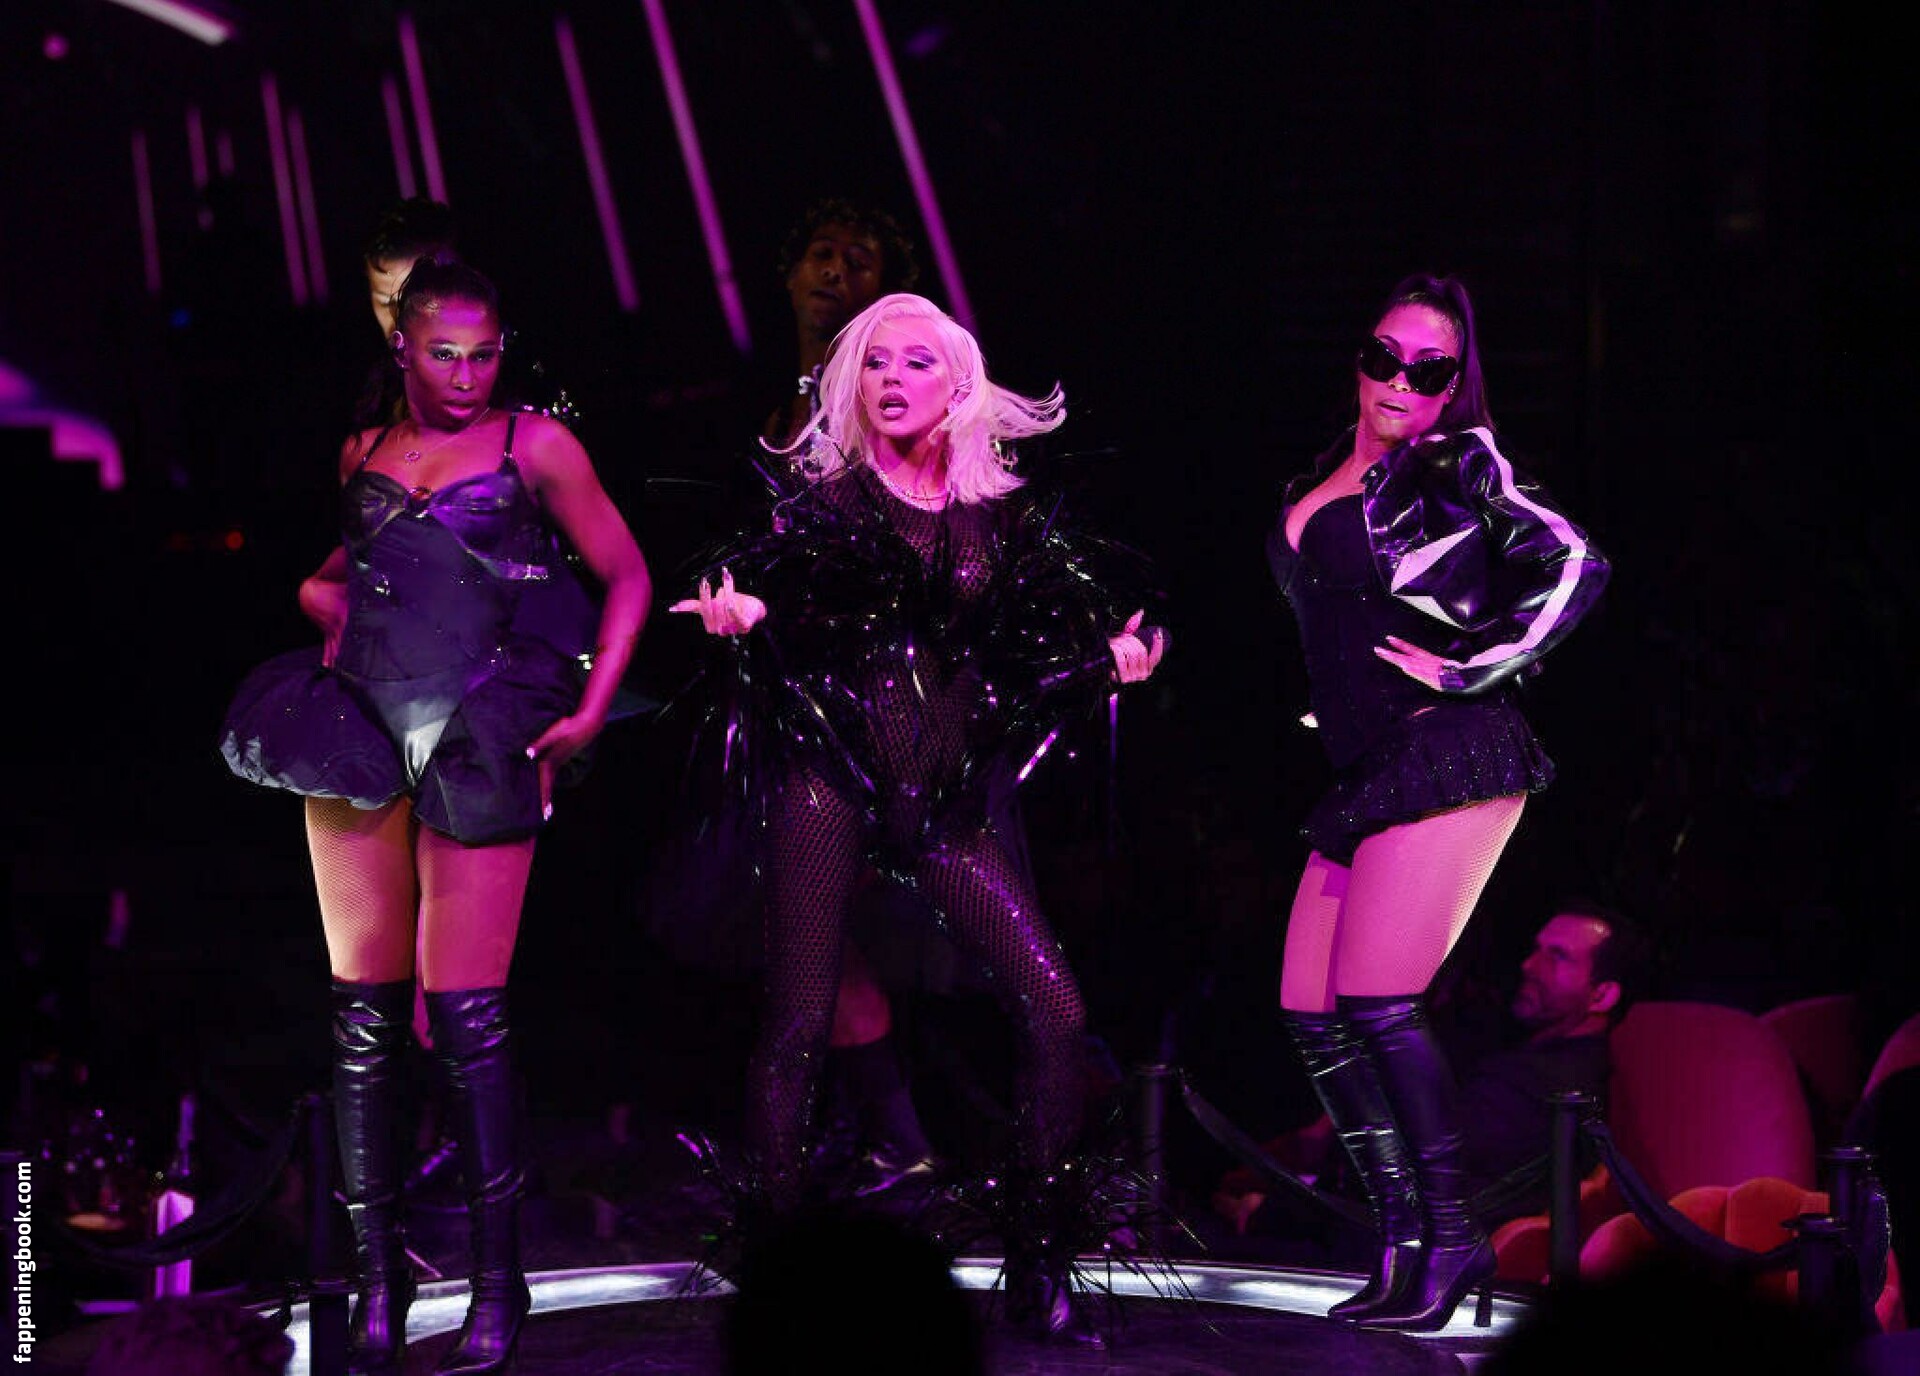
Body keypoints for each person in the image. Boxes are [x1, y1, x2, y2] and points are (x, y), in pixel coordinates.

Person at [671, 291, 1165, 1343]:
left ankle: (1039, 1250)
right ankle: (779, 1267)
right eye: (876, 363)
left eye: (916, 363)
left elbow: (1034, 660)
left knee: (1056, 1008)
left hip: (942, 799)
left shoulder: (1000, 514)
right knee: (799, 1022)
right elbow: (764, 601)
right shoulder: (824, 505)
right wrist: (741, 617)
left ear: (959, 385)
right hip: (829, 779)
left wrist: (1113, 662)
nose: (892, 380)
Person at [218, 256, 653, 1376]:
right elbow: (340, 572)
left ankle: (499, 1287)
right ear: (401, 350)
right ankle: (379, 1284)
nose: (466, 375)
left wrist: (588, 713)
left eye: (484, 354)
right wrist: (324, 603)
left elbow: (628, 574)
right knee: (361, 1021)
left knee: (466, 1017)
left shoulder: (534, 445)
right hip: (358, 723)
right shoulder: (363, 452)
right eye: (444, 354)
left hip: (481, 722)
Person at [1266, 272, 1611, 1331]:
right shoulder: (1321, 475)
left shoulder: (1456, 464)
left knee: (1376, 1001)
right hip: (1367, 767)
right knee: (1312, 1013)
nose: (1401, 383)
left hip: (1449, 749)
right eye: (1386, 358)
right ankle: (1404, 1236)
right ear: (1359, 357)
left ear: (1455, 385)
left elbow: (1575, 560)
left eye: (1430, 370)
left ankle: (1454, 1237)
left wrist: (1478, 665)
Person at [1218, 899, 1648, 1236]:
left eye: (1557, 957)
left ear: (1602, 996)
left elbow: (1420, 1180)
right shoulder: (1527, 1058)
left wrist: (1273, 1213)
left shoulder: (1544, 1085)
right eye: (1535, 949)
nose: (1529, 965)